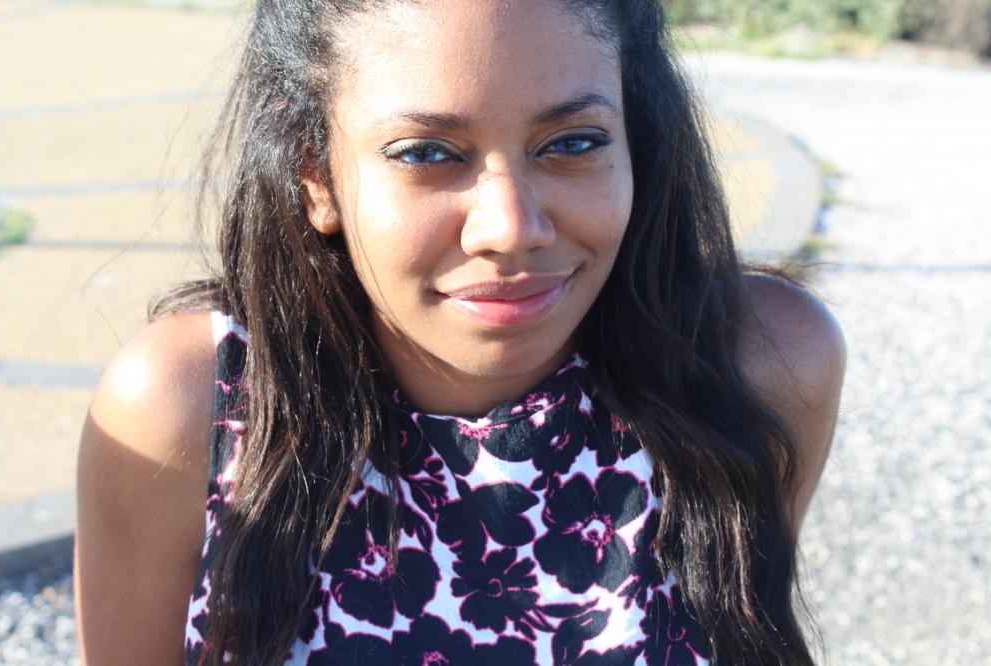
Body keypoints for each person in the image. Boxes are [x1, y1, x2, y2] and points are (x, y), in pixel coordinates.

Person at [74, 0, 845, 664]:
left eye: (573, 142)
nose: (510, 228)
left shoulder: (758, 370)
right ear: (315, 174)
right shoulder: (191, 413)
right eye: (426, 154)